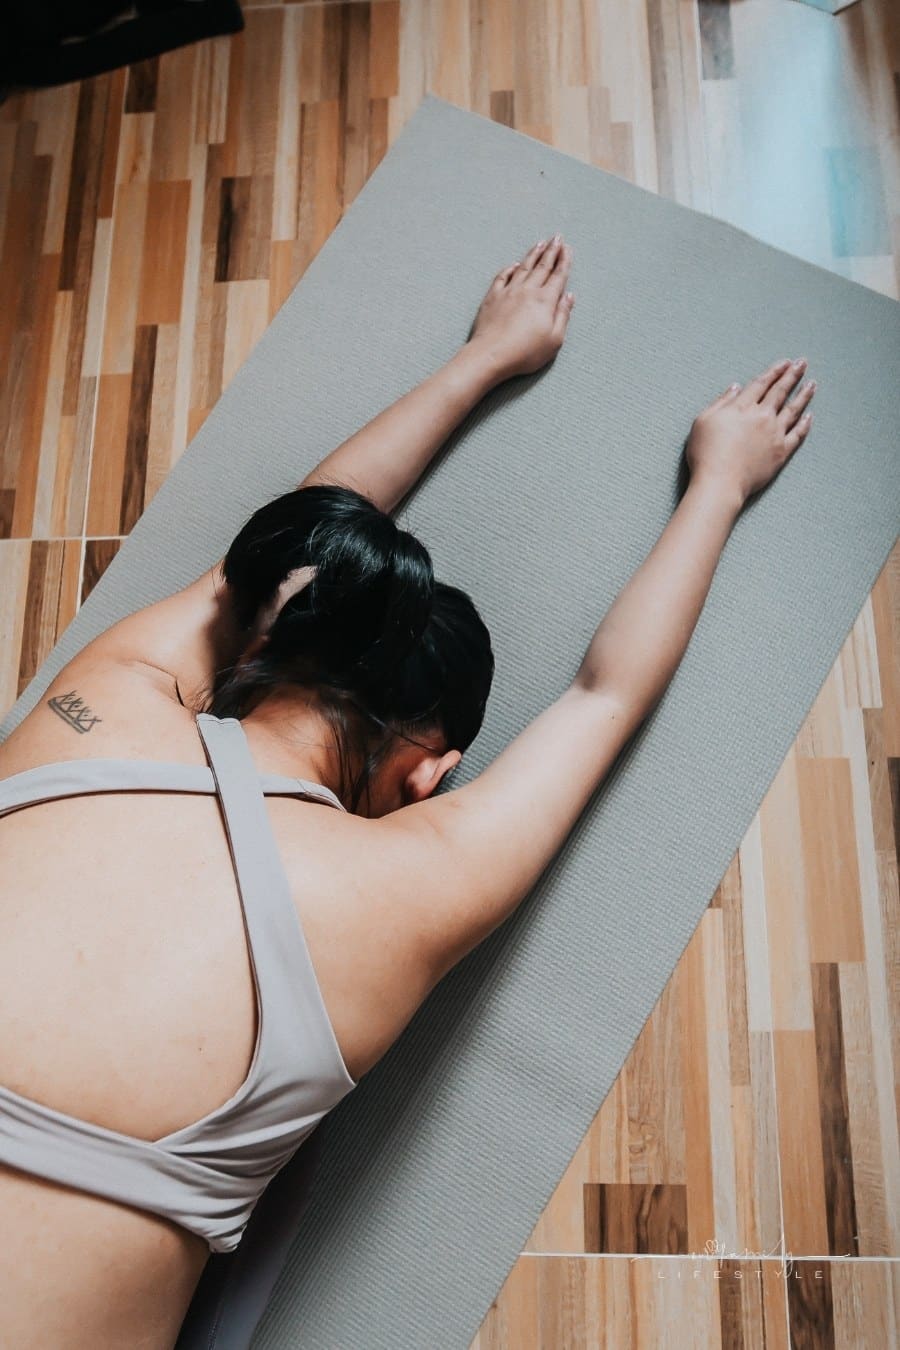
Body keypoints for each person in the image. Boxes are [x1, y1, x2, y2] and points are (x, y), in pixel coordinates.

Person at [0, 234, 816, 1349]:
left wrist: (483, 359)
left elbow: (279, 545)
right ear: (428, 774)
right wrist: (718, 485)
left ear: (279, 637)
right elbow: (602, 699)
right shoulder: (414, 880)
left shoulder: (106, 697)